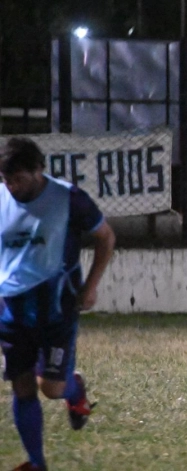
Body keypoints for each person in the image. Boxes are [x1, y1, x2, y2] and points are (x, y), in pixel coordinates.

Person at [0, 137, 116, 471]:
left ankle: (74, 389)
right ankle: (36, 464)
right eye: (6, 179)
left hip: (56, 309)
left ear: (38, 169)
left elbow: (106, 237)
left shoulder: (69, 199)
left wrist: (91, 286)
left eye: (18, 179)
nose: (11, 186)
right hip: (12, 312)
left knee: (51, 389)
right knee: (22, 387)